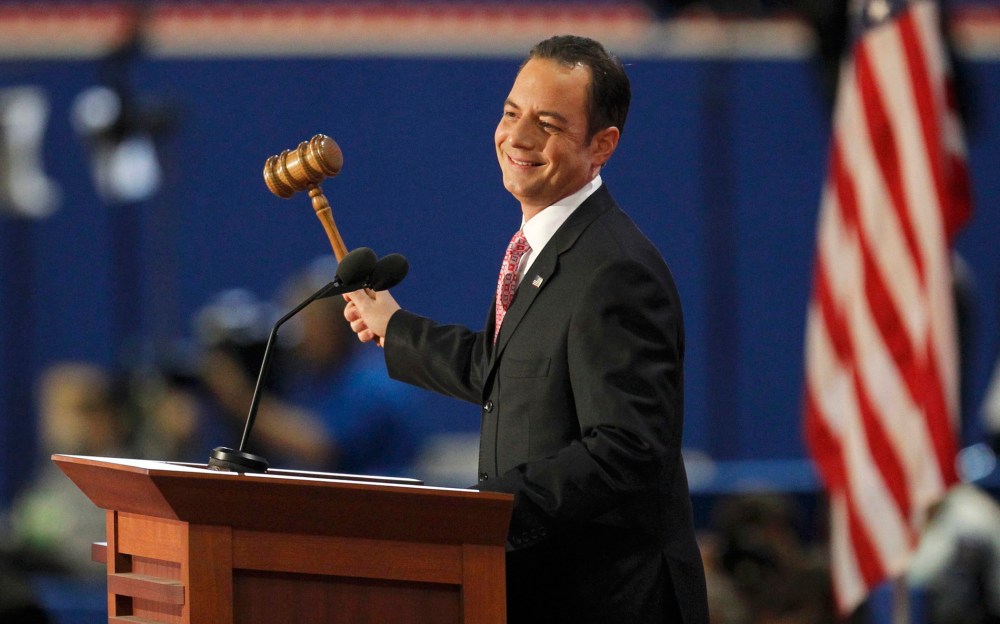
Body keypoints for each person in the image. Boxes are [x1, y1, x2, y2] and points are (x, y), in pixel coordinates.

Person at [344, 35, 709, 623]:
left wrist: (490, 513)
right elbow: (506, 370)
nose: (518, 137)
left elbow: (628, 449)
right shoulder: (540, 248)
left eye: (548, 124)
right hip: (547, 590)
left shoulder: (615, 268)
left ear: (602, 145)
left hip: (610, 600)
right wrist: (396, 328)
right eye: (512, 113)